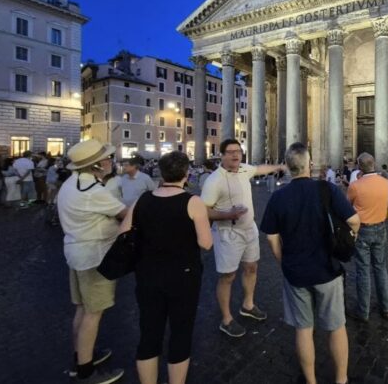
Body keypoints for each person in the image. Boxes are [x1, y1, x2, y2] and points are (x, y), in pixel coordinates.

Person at [260, 142, 360, 384]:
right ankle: (341, 379)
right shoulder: (327, 189)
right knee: (337, 327)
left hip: (296, 273)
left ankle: (311, 380)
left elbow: (271, 238)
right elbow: (355, 220)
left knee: (303, 329)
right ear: (310, 165)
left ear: (287, 168)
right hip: (328, 269)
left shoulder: (278, 197)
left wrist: (283, 260)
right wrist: (348, 240)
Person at [119, 151, 213, 384]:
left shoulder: (143, 200)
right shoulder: (193, 202)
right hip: (183, 276)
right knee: (180, 333)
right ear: (186, 173)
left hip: (148, 275)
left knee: (149, 333)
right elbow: (206, 243)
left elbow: (123, 233)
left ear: (160, 172)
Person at [57, 139, 128, 383]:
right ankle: (86, 372)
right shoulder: (94, 192)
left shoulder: (69, 185)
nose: (110, 161)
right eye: (107, 158)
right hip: (94, 257)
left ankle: (82, 356)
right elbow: (125, 214)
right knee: (93, 314)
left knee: (82, 309)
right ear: (97, 165)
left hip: (75, 253)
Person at [200, 138, 284, 337]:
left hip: (249, 229)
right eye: (230, 152)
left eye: (238, 151)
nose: (235, 155)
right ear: (222, 155)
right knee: (228, 277)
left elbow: (259, 169)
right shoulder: (214, 180)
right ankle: (226, 319)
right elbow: (203, 210)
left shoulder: (244, 169)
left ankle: (248, 304)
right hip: (227, 233)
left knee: (251, 267)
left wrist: (280, 165)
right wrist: (227, 214)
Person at [346, 153, 388, 322]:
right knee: (381, 268)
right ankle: (386, 308)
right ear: (374, 164)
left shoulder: (355, 186)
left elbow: (347, 207)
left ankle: (363, 311)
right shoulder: (385, 183)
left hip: (363, 230)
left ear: (359, 166)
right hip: (381, 228)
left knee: (363, 270)